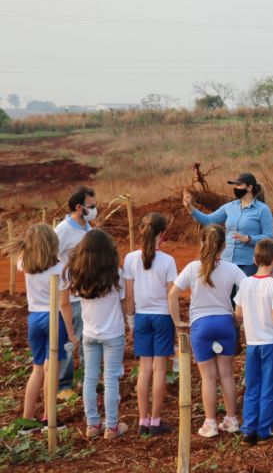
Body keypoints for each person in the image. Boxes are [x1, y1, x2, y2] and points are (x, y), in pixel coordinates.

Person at [168, 225, 246, 438]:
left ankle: (210, 423)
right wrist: (239, 311)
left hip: (201, 326)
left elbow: (173, 295)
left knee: (208, 378)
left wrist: (177, 322)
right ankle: (232, 420)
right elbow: (248, 288)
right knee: (227, 375)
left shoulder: (193, 268)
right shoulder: (232, 269)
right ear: (224, 246)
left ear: (202, 243)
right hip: (225, 323)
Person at [4, 225, 78, 434]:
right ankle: (49, 417)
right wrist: (71, 333)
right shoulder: (60, 269)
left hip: (34, 318)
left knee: (37, 369)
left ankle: (27, 420)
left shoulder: (24, 263)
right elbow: (64, 304)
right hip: (54, 318)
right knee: (51, 369)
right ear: (52, 243)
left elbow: (25, 253)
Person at [67, 229, 129, 440]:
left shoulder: (78, 273)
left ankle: (92, 425)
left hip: (89, 333)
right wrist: (127, 324)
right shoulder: (116, 274)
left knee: (90, 378)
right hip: (112, 334)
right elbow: (123, 303)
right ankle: (112, 427)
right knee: (111, 378)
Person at [123, 213, 177, 436]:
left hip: (142, 317)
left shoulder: (130, 259)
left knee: (144, 369)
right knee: (159, 369)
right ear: (162, 234)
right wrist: (178, 323)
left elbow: (128, 296)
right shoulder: (167, 261)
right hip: (163, 317)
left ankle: (142, 420)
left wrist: (131, 322)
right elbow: (172, 295)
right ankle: (155, 421)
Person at [234, 239, 273, 446]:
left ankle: (248, 429)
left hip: (252, 342)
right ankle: (265, 429)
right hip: (272, 340)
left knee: (252, 386)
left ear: (255, 259)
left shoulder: (245, 283)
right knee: (271, 386)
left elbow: (238, 313)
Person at [183, 172, 273, 276]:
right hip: (227, 261)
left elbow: (269, 238)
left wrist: (249, 239)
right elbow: (208, 220)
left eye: (239, 185)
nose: (236, 188)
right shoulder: (229, 207)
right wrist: (190, 208)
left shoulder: (263, 210)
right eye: (235, 185)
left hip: (248, 263)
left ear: (249, 187)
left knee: (242, 290)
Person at [55, 185, 96, 399]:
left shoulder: (88, 228)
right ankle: (64, 384)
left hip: (87, 293)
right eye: (91, 206)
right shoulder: (62, 231)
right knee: (71, 340)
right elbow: (50, 258)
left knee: (87, 338)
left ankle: (86, 381)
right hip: (69, 297)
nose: (94, 209)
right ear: (79, 207)